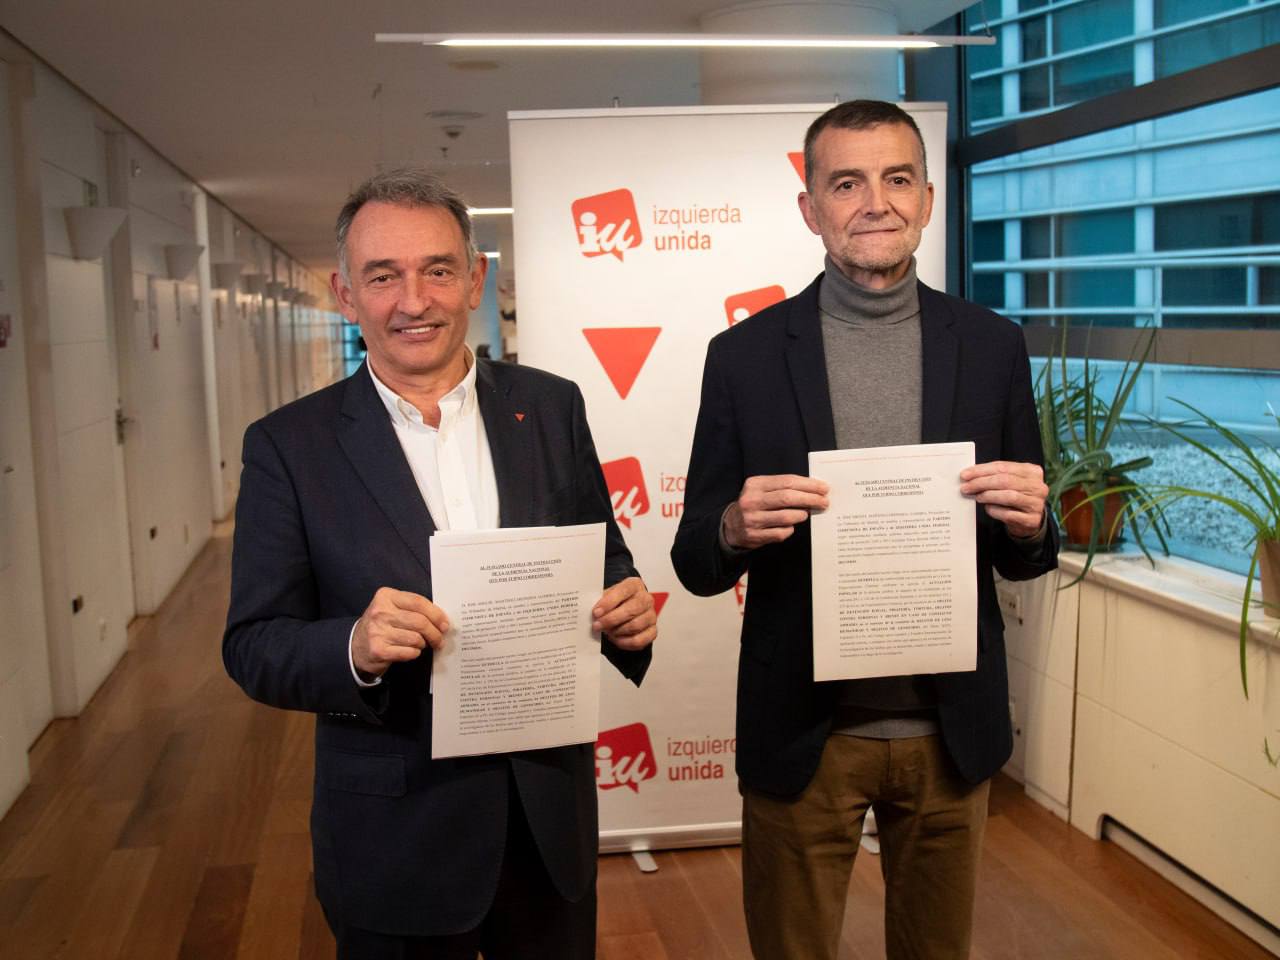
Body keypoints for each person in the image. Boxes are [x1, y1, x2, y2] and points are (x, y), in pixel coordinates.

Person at [223, 168, 657, 960]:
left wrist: (627, 615)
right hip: (395, 836)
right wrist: (352, 645)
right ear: (345, 295)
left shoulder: (549, 407)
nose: (413, 300)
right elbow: (253, 644)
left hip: (546, 822)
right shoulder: (290, 446)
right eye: (382, 276)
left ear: (474, 280)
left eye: (437, 270)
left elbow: (607, 562)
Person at [671, 100, 1058, 960]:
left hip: (950, 733)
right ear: (811, 208)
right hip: (805, 734)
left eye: (896, 179)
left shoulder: (994, 346)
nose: (873, 202)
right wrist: (734, 525)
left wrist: (1032, 523)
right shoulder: (743, 356)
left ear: (926, 198)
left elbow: (1028, 550)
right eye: (846, 182)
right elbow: (694, 558)